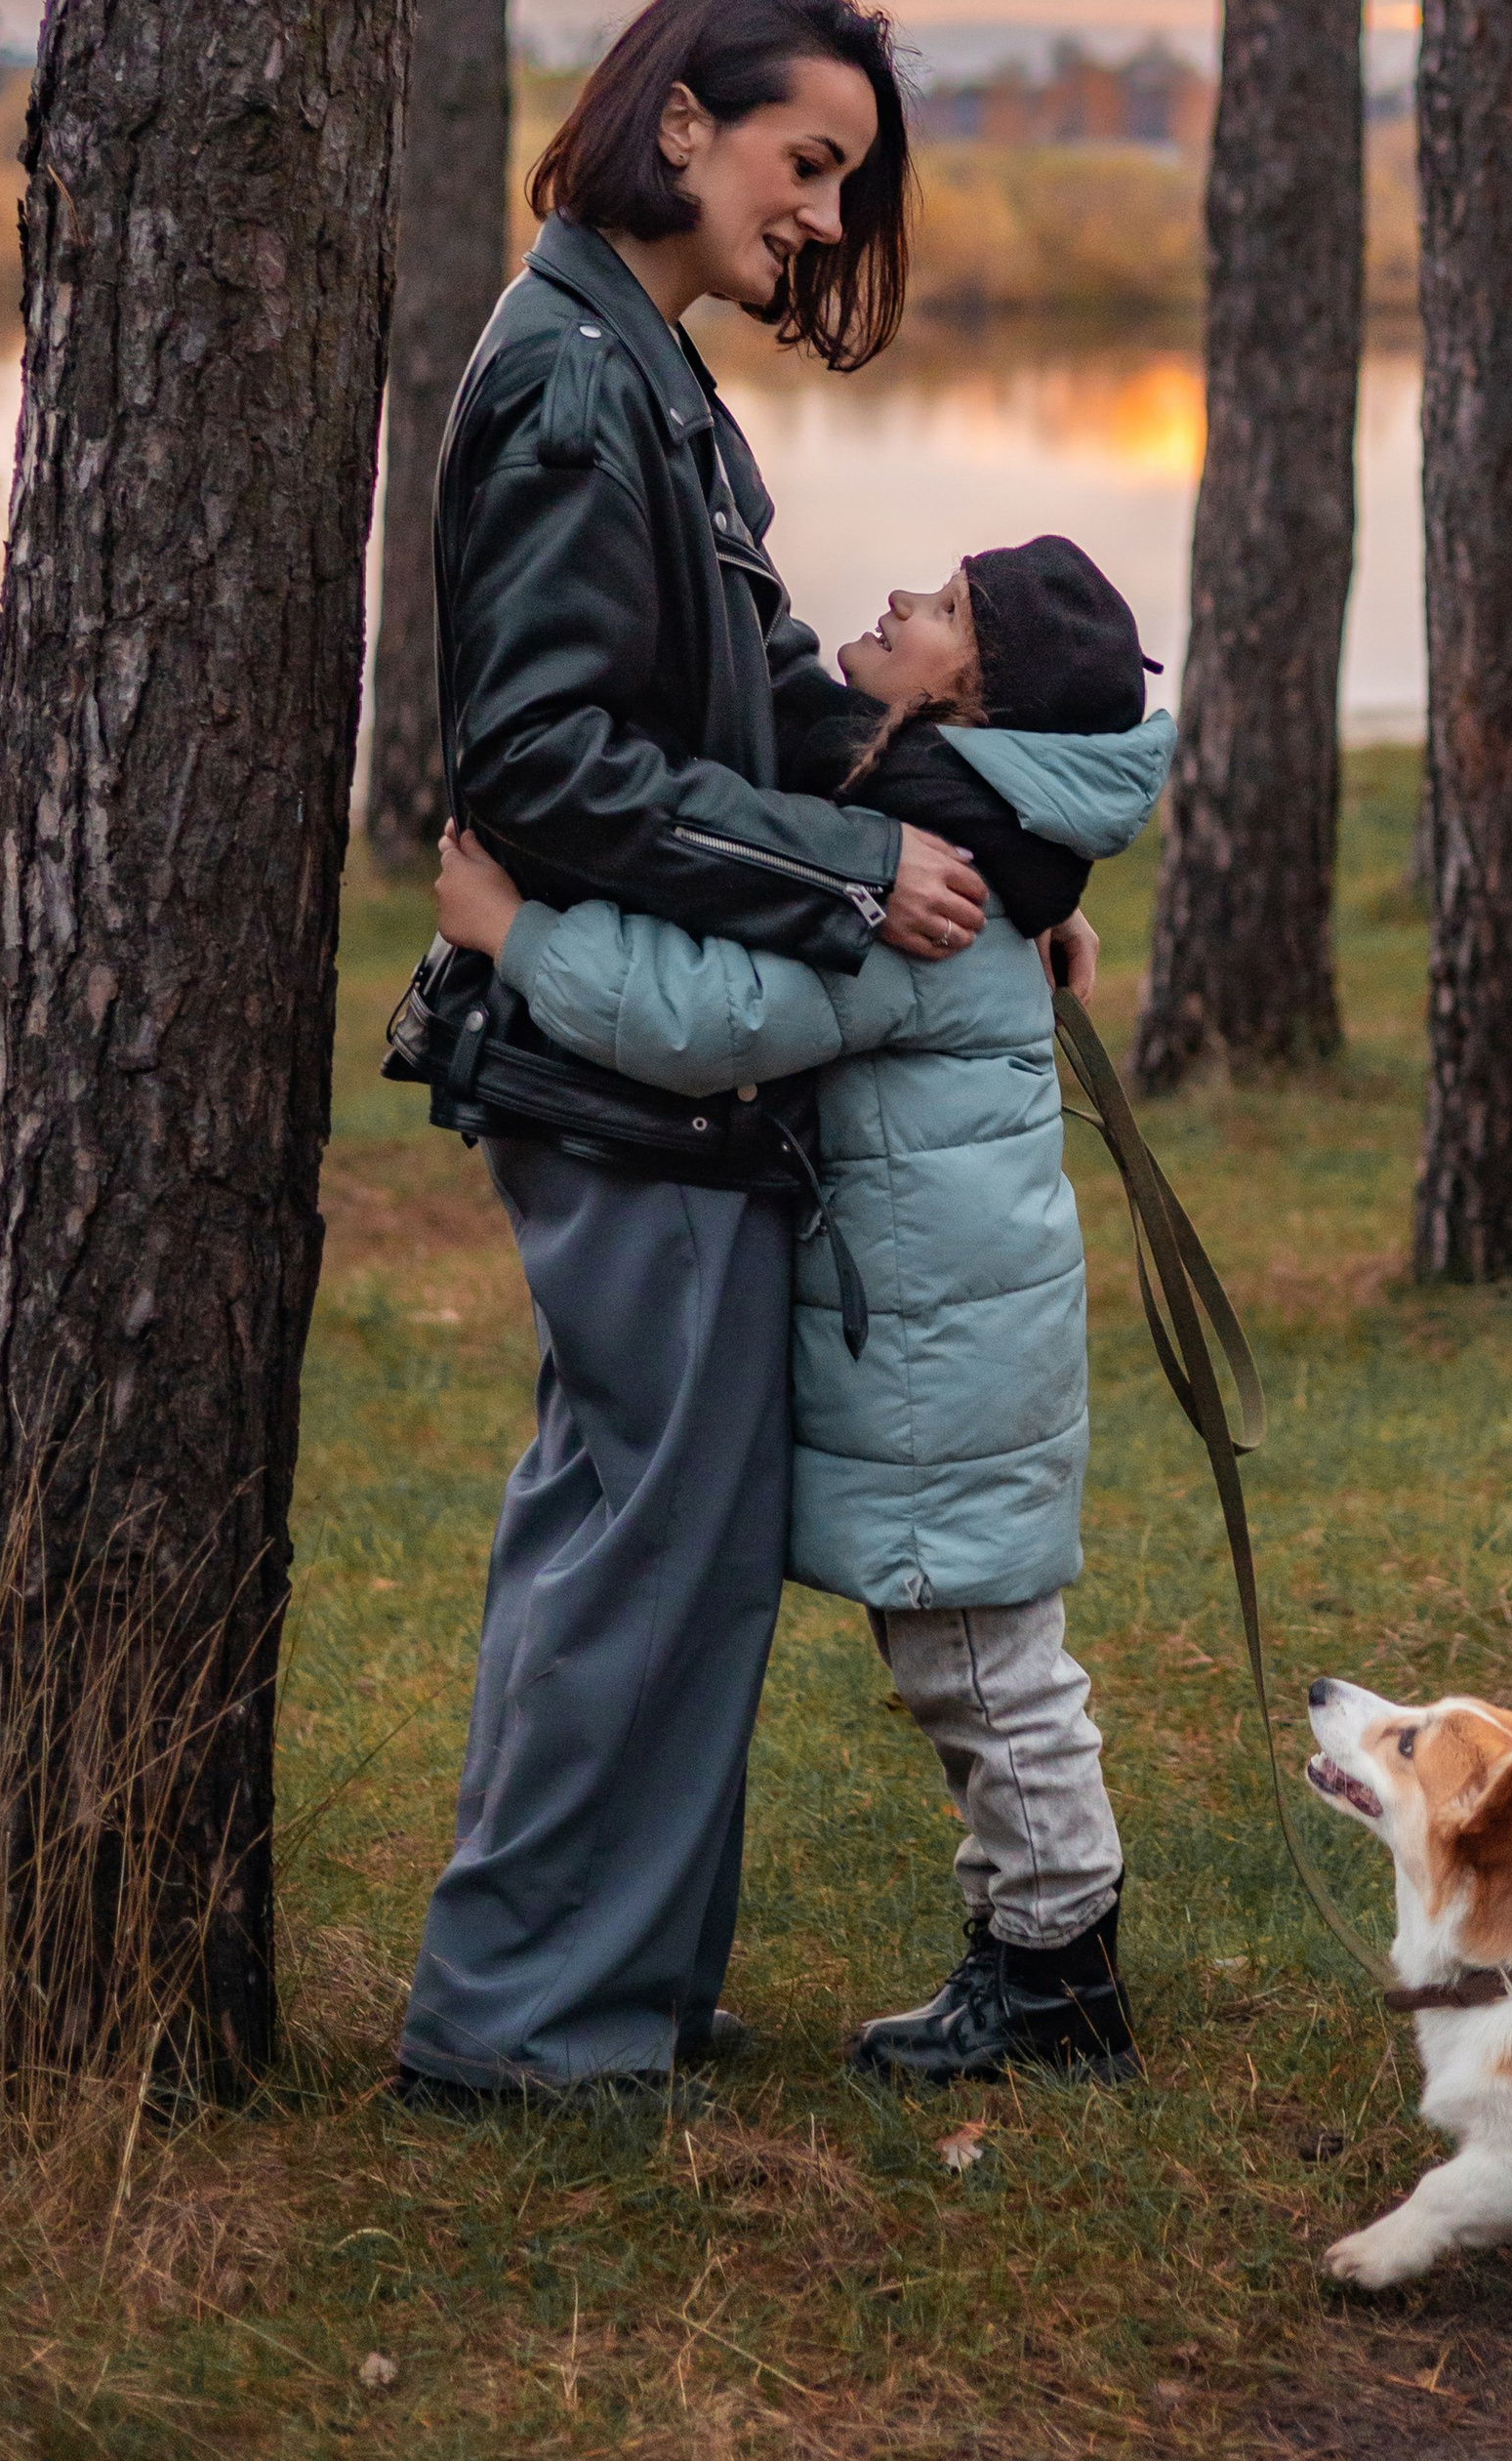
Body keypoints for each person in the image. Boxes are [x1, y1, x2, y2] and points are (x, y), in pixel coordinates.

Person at [392, 0, 1095, 2111]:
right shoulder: (569, 382)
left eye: (843, 183)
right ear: (677, 124)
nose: (818, 215)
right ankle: (526, 2034)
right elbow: (538, 759)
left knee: (671, 1549)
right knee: (639, 1545)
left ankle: (614, 2001)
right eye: (809, 164)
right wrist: (837, 880)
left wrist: (989, 881)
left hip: (670, 1064)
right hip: (617, 1069)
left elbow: (783, 695)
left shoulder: (651, 375)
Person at [433, 532, 1173, 2086]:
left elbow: (710, 1023)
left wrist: (518, 936)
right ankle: (1027, 1946)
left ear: (971, 712)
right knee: (978, 1664)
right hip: (959, 1344)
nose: (900, 602)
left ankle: (1057, 1982)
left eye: (944, 615)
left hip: (943, 1366)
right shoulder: (980, 862)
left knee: (982, 1673)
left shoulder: (926, 902)